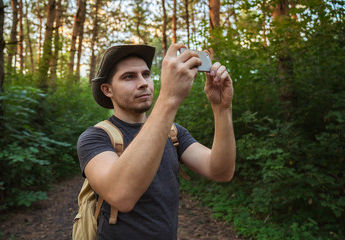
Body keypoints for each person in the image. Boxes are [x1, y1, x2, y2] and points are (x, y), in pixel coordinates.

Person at [77, 43, 236, 240]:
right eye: (129, 76)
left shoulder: (173, 133)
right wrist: (169, 97)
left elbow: (220, 171)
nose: (143, 82)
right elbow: (121, 195)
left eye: (146, 74)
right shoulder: (95, 137)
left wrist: (222, 108)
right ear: (107, 89)